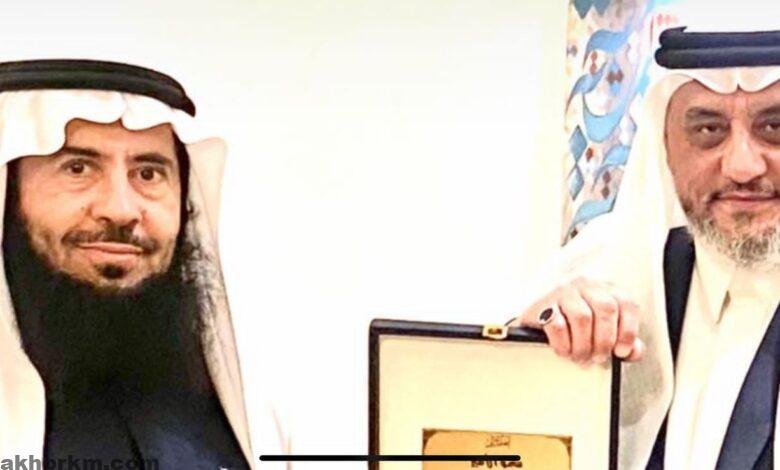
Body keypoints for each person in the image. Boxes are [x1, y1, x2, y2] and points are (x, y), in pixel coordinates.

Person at [512, 19, 780, 470]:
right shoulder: (605, 268)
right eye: (708, 130)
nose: (742, 167)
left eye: (774, 127)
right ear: (665, 146)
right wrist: (536, 345)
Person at [0, 60, 252, 469]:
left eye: (148, 173)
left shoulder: (248, 403)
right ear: (7, 195)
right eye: (78, 168)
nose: (120, 209)